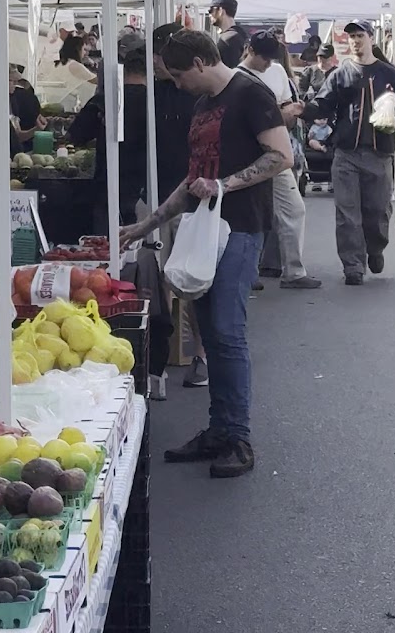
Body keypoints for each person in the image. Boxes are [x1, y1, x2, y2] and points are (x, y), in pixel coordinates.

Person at [120, 29, 293, 478]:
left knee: (226, 330)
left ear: (199, 63)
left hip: (240, 228)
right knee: (211, 332)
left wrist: (225, 185)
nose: (176, 84)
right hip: (204, 231)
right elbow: (191, 178)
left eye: (177, 75)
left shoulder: (251, 94)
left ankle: (238, 437)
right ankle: (221, 429)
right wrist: (145, 226)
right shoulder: (202, 106)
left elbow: (281, 156)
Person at [305, 19, 395, 285]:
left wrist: (394, 105)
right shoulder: (340, 73)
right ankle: (353, 265)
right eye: (351, 36)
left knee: (377, 211)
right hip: (346, 153)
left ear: (371, 38)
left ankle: (375, 248)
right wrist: (302, 110)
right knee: (347, 212)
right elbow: (323, 104)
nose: (354, 40)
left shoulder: (390, 74)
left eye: (359, 35)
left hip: (379, 153)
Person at [239, 31, 321, 289]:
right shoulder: (237, 78)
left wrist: (289, 111)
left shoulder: (276, 72)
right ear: (250, 50)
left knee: (293, 209)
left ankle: (294, 272)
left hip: (276, 152)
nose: (267, 62)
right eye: (263, 57)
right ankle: (248, 273)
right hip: (249, 155)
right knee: (250, 217)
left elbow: (287, 105)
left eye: (270, 57)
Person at [151, 22, 207, 393]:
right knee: (162, 280)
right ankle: (164, 353)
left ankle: (199, 355)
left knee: (195, 281)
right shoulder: (150, 93)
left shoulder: (200, 94)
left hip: (192, 198)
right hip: (157, 194)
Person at [68, 47, 148, 226]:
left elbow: (75, 136)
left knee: (106, 246)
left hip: (107, 186)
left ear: (123, 70)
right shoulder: (155, 102)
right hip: (144, 188)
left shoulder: (103, 101)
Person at [53, 34, 97, 110]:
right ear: (78, 49)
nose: (85, 53)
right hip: (64, 105)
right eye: (84, 49)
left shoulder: (61, 63)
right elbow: (96, 80)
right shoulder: (74, 65)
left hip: (55, 100)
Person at [9, 66, 46, 149]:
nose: (16, 84)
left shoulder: (12, 102)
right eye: (12, 81)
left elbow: (17, 136)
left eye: (17, 81)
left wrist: (37, 128)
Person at [209, 0, 247, 67]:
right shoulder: (241, 35)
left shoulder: (227, 40)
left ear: (220, 11)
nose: (210, 14)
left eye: (211, 10)